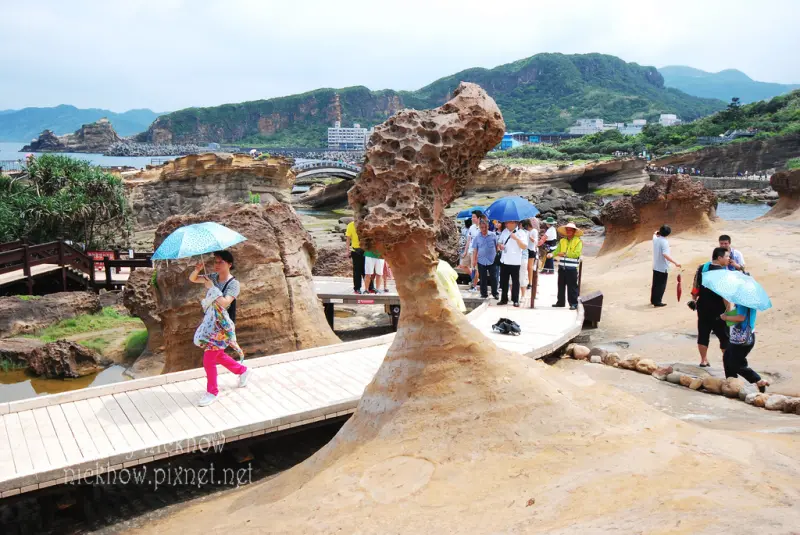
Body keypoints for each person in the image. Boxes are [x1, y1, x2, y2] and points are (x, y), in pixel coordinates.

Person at [190, 251, 250, 407]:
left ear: (229, 264)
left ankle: (212, 392)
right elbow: (193, 279)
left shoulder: (234, 284)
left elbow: (225, 303)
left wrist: (212, 288)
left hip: (223, 325)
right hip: (211, 323)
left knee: (209, 358)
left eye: (220, 262)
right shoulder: (213, 277)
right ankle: (242, 370)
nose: (216, 265)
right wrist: (197, 270)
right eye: (215, 262)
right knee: (218, 355)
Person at [691, 247, 731, 367]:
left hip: (702, 306)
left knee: (703, 333)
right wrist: (728, 311)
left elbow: (695, 285)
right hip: (718, 309)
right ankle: (728, 361)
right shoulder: (723, 273)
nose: (728, 259)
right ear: (719, 258)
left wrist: (694, 299)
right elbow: (725, 295)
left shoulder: (702, 267)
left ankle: (703, 360)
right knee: (724, 336)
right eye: (727, 256)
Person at [721, 300, 770, 392]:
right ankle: (731, 383)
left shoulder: (744, 302)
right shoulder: (743, 301)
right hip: (738, 337)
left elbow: (741, 317)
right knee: (727, 358)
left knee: (736, 363)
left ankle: (758, 380)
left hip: (742, 339)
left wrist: (726, 317)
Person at [552, 222, 583, 310]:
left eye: (570, 230)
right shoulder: (562, 241)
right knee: (560, 285)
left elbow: (576, 254)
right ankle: (560, 302)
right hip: (562, 267)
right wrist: (551, 254)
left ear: (574, 231)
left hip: (572, 268)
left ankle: (573, 304)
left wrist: (565, 254)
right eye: (567, 230)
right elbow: (557, 250)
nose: (568, 231)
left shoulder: (578, 241)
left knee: (572, 286)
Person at [497, 220, 528, 307]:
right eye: (506, 222)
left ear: (514, 223)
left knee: (515, 281)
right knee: (504, 281)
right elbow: (499, 242)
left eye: (508, 222)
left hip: (515, 261)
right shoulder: (505, 231)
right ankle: (504, 299)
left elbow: (524, 246)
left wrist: (516, 239)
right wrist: (500, 246)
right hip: (504, 260)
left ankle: (515, 300)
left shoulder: (521, 233)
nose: (506, 224)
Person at [651, 225, 681, 307]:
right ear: (668, 234)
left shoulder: (655, 238)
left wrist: (657, 232)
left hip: (656, 266)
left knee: (655, 285)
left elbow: (654, 233)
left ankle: (653, 300)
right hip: (663, 267)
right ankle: (657, 302)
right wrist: (675, 262)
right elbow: (665, 254)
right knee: (661, 286)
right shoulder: (664, 242)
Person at [471, 217, 499, 299]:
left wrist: (497, 257)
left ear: (488, 226)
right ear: (479, 227)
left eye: (485, 227)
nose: (484, 229)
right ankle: (484, 293)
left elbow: (497, 246)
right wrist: (474, 260)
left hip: (492, 260)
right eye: (482, 227)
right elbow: (475, 249)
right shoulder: (477, 237)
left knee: (494, 277)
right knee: (483, 278)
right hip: (481, 260)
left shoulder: (493, 235)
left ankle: (495, 293)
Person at [345, 221, 365, 294]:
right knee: (357, 270)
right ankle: (357, 288)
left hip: (366, 250)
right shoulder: (351, 225)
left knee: (367, 270)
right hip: (355, 250)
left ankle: (370, 287)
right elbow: (348, 239)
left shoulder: (365, 223)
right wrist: (347, 251)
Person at [466, 211, 482, 290]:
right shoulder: (472, 227)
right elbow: (469, 240)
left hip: (478, 251)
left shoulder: (482, 227)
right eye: (472, 217)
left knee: (476, 269)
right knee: (472, 268)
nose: (472, 218)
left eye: (474, 217)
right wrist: (466, 251)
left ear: (479, 218)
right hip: (471, 250)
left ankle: (474, 286)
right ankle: (474, 283)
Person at [525, 218, 540, 291]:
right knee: (526, 267)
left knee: (530, 267)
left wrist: (531, 238)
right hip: (525, 250)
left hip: (531, 250)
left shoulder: (534, 231)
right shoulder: (525, 231)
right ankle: (528, 281)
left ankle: (530, 282)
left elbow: (535, 241)